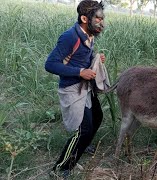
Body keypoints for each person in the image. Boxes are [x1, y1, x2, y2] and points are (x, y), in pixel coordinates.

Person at [45, 0, 106, 177]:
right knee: (83, 129)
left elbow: (80, 57)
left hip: (84, 86)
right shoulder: (70, 36)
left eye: (102, 19)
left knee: (97, 116)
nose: (102, 23)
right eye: (98, 19)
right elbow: (50, 64)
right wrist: (80, 72)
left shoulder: (89, 34)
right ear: (84, 18)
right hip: (72, 88)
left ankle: (83, 145)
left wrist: (95, 60)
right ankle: (60, 168)